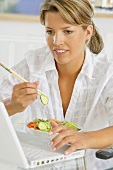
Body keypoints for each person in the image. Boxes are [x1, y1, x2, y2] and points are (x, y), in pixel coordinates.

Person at [0, 0, 113, 169]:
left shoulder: (106, 72)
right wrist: (11, 106)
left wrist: (84, 139)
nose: (56, 41)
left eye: (67, 31)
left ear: (88, 32)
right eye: (50, 31)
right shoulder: (32, 65)